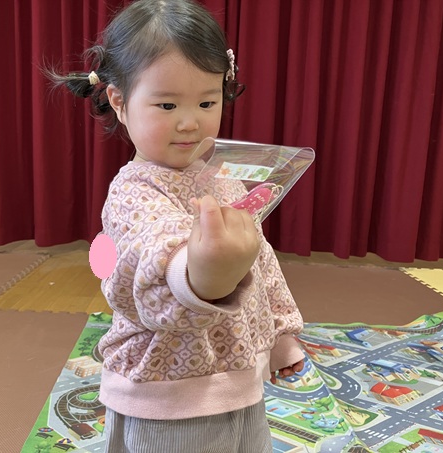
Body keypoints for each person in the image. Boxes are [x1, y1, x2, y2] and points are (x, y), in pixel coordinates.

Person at [48, 1, 305, 451]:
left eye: (207, 102)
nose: (190, 122)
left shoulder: (223, 177)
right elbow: (159, 260)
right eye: (167, 104)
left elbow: (261, 264)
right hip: (168, 398)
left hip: (240, 383)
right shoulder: (133, 192)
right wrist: (204, 271)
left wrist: (281, 337)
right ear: (119, 102)